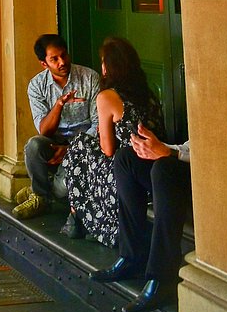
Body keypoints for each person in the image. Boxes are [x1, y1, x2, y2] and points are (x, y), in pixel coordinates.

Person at [60, 36, 162, 244]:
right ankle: (76, 216)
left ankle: (79, 216)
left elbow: (107, 149)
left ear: (109, 67)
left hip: (124, 166)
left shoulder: (107, 97)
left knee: (80, 144)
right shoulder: (147, 92)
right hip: (151, 161)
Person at [92, 123, 192, 312]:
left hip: (216, 180)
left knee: (165, 169)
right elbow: (193, 146)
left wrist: (170, 154)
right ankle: (132, 257)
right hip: (189, 165)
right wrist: (160, 149)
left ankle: (162, 279)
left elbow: (219, 153)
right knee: (126, 158)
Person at [14, 32, 101, 220]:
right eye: (54, 59)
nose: (62, 62)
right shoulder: (37, 85)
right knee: (33, 146)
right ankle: (40, 198)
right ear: (44, 64)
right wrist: (59, 104)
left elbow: (97, 123)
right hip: (53, 140)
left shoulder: (90, 77)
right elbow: (43, 129)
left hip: (84, 141)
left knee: (62, 191)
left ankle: (41, 189)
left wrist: (71, 148)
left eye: (64, 55)